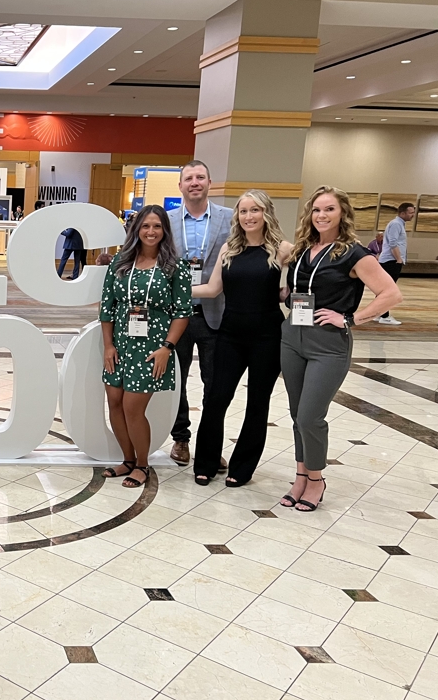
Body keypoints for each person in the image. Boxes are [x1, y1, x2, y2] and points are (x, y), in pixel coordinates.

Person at [279, 186, 401, 511]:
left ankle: (316, 479)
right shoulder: (305, 248)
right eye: (317, 209)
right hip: (293, 336)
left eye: (329, 209)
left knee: (310, 416)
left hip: (328, 344)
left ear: (343, 213)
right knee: (295, 414)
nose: (322, 215)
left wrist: (350, 318)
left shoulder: (354, 253)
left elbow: (391, 294)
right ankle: (300, 475)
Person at [190, 191, 293, 487]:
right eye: (243, 211)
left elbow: (302, 282)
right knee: (216, 399)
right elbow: (211, 289)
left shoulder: (283, 249)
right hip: (230, 334)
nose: (248, 216)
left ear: (267, 213)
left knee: (257, 403)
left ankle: (243, 467)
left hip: (267, 336)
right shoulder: (230, 249)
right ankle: (206, 463)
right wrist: (174, 289)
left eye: (255, 210)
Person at [99, 205, 191, 488]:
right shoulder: (120, 262)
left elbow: (183, 312)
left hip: (152, 346)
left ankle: (142, 464)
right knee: (114, 401)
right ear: (136, 230)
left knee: (132, 408)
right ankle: (127, 460)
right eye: (145, 226)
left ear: (165, 231)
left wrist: (167, 347)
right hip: (121, 344)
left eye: (157, 226)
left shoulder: (176, 266)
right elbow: (107, 307)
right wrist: (108, 346)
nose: (151, 232)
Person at [166, 160, 231, 469]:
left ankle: (211, 443)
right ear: (180, 185)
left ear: (209, 182)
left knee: (215, 383)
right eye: (188, 178)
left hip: (215, 314)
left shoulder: (230, 218)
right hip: (174, 315)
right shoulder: (164, 221)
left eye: (200, 177)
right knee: (174, 380)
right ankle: (181, 439)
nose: (194, 182)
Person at [376, 201, 415, 325]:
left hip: (391, 260)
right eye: (411, 212)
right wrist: (398, 259)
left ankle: (378, 313)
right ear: (402, 213)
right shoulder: (396, 224)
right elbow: (393, 243)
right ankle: (384, 316)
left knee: (383, 289)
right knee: (388, 290)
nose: (413, 215)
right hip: (390, 261)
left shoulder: (399, 224)